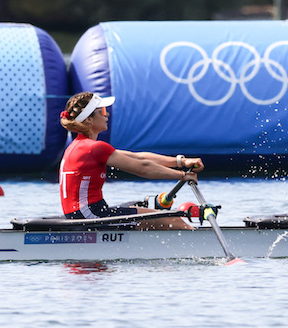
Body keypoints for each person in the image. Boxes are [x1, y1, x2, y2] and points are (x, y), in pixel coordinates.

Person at [58, 91, 203, 230]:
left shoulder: (78, 146)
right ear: (89, 119)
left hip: (80, 214)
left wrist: (181, 162)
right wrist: (182, 176)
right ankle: (205, 249)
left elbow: (138, 157)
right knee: (173, 219)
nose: (107, 114)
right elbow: (143, 167)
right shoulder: (94, 148)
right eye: (102, 111)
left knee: (143, 209)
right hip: (91, 215)